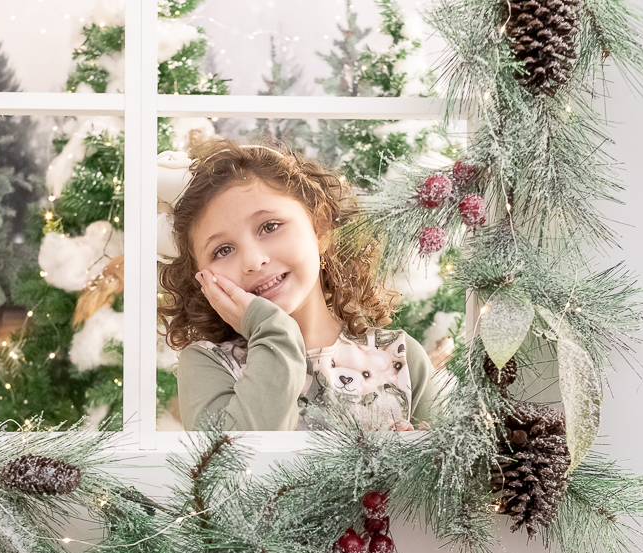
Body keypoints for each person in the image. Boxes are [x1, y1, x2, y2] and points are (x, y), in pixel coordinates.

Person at [158, 138, 438, 431]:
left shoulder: (401, 358)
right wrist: (273, 332)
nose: (253, 261)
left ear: (320, 229)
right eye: (223, 250)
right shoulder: (208, 366)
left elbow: (456, 471)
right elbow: (233, 469)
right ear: (200, 277)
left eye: (270, 226)